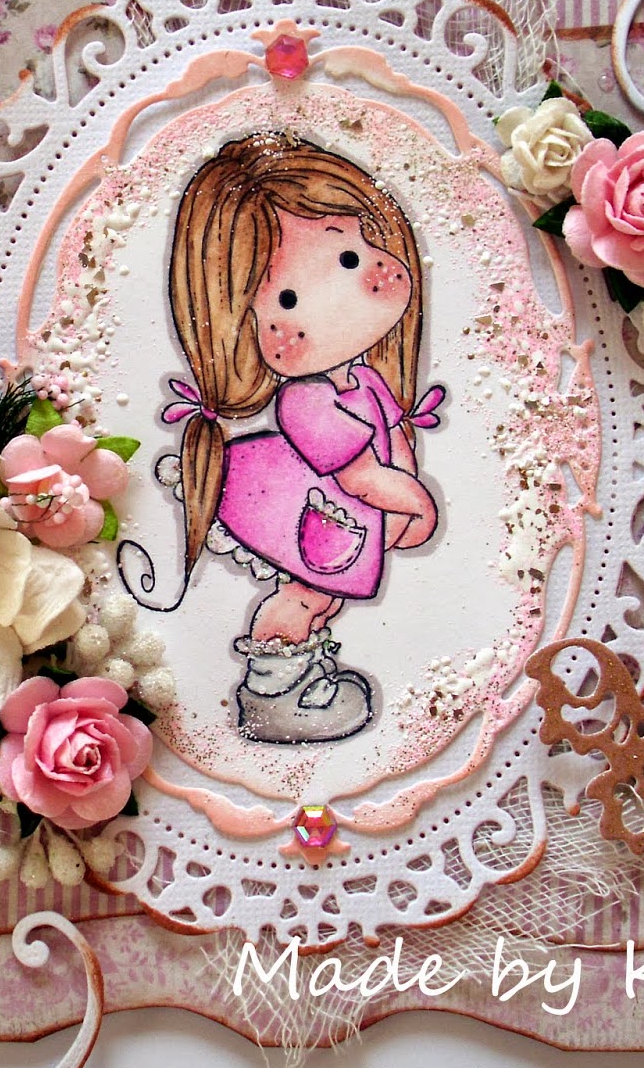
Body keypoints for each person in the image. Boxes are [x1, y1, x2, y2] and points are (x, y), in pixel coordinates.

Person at [161, 133, 443, 743]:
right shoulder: (307, 401)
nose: (365, 278)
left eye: (355, 251)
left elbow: (390, 441)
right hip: (301, 509)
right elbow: (360, 477)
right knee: (304, 595)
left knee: (322, 599)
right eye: (289, 297)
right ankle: (271, 693)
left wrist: (401, 491)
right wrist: (417, 506)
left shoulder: (360, 378)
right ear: (258, 330)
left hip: (342, 516)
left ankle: (302, 678)